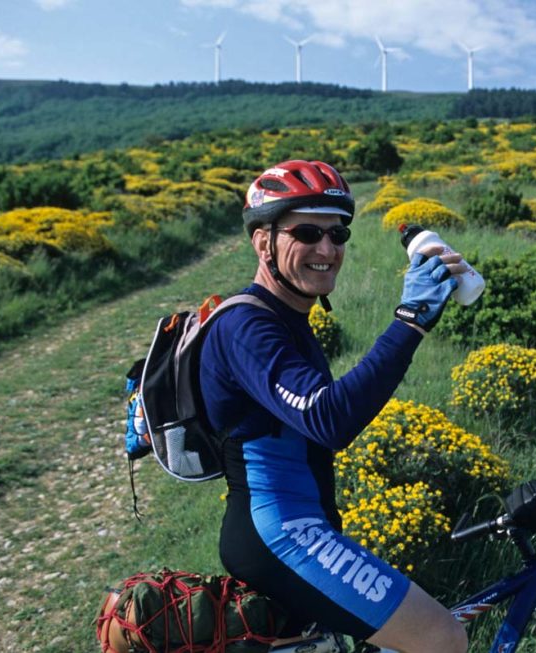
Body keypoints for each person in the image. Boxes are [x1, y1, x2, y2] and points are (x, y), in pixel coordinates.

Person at [199, 160, 468, 653]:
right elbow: (328, 418)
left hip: (301, 526)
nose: (327, 249)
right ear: (263, 242)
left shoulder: (288, 316)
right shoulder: (246, 328)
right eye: (307, 232)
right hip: (280, 533)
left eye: (338, 233)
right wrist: (410, 321)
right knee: (443, 637)